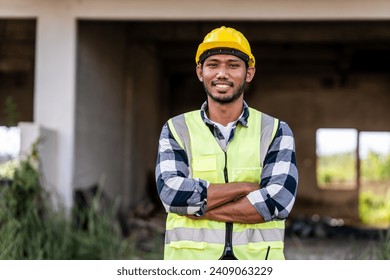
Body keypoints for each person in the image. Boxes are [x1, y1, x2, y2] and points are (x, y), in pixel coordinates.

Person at [155, 26, 298, 260]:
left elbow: (278, 201)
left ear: (249, 73)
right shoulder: (176, 129)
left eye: (233, 65)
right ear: (200, 72)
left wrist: (198, 210)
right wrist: (244, 188)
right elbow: (171, 194)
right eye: (213, 65)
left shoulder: (275, 131)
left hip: (257, 264)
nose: (222, 73)